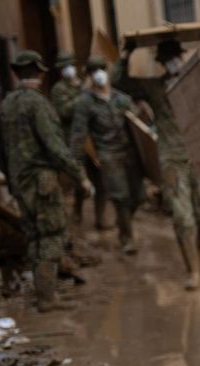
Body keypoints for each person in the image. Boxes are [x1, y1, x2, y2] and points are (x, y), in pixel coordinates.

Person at [0, 50, 95, 312]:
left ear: (16, 73)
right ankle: (47, 299)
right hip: (42, 183)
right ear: (39, 73)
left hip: (20, 183)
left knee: (34, 238)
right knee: (51, 236)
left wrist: (11, 178)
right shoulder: (38, 104)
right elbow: (55, 146)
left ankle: (45, 294)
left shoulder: (6, 104)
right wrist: (80, 176)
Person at [114, 35, 200, 289]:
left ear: (182, 57)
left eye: (174, 58)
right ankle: (193, 271)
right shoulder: (153, 87)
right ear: (161, 63)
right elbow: (118, 82)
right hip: (172, 160)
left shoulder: (198, 81)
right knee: (183, 217)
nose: (172, 63)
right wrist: (126, 55)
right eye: (166, 60)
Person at [69, 56, 144, 255]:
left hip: (129, 153)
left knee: (139, 195)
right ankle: (127, 238)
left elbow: (138, 125)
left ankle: (122, 220)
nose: (99, 74)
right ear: (90, 76)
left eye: (102, 69)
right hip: (108, 154)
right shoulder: (84, 102)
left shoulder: (121, 98)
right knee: (120, 196)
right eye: (94, 71)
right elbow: (78, 136)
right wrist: (78, 169)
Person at [51, 50, 105, 228]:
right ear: (61, 70)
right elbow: (64, 111)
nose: (69, 69)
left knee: (100, 178)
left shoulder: (83, 85)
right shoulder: (59, 89)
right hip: (74, 139)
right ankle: (77, 211)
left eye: (70, 65)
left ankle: (100, 218)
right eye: (65, 67)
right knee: (80, 180)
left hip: (92, 138)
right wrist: (83, 96)